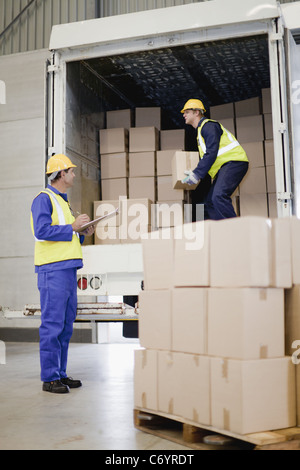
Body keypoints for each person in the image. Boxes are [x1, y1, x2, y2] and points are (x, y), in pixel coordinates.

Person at [30, 154, 94, 394]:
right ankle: (49, 378)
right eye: (71, 171)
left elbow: (69, 235)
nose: (75, 175)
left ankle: (60, 373)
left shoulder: (63, 202)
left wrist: (83, 231)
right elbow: (42, 230)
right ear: (61, 174)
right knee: (52, 325)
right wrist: (73, 227)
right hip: (52, 270)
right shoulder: (43, 199)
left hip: (66, 270)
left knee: (66, 326)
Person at [181, 99, 249, 220]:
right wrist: (194, 172)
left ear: (196, 112)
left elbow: (211, 152)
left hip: (233, 163)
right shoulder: (201, 131)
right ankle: (220, 231)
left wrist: (197, 174)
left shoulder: (209, 126)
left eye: (186, 112)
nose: (183, 115)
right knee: (210, 203)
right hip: (225, 167)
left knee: (218, 196)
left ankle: (236, 229)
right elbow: (209, 156)